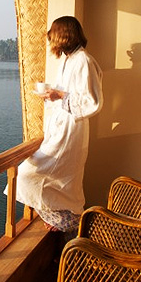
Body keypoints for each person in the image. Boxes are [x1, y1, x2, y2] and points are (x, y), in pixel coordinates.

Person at [15, 16, 103, 236]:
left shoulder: (83, 61)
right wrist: (51, 95)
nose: (51, 40)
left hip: (71, 130)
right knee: (63, 178)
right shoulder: (67, 59)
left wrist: (60, 94)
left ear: (63, 35)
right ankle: (65, 221)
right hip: (61, 127)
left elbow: (92, 102)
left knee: (28, 173)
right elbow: (66, 94)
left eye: (53, 35)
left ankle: (70, 223)